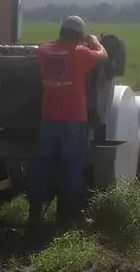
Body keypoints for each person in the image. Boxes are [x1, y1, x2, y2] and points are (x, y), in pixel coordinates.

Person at [28, 15, 108, 231]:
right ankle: (70, 216)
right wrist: (93, 41)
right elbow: (103, 56)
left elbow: (51, 51)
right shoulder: (80, 53)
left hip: (48, 118)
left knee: (43, 164)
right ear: (78, 36)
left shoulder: (43, 51)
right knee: (71, 166)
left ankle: (34, 213)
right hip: (73, 119)